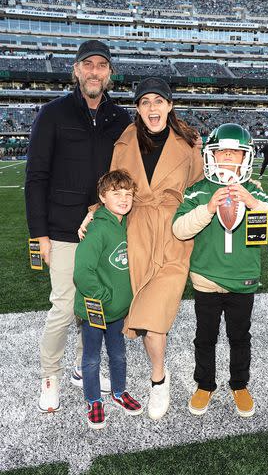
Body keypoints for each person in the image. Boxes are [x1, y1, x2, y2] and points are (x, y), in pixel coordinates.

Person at [80, 77, 203, 420]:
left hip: (174, 234)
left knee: (155, 318)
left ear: (169, 105)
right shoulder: (125, 142)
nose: (152, 107)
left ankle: (158, 378)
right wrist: (94, 213)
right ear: (137, 108)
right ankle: (159, 375)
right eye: (145, 102)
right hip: (135, 234)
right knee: (145, 318)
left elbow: (200, 187)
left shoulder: (189, 143)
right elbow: (115, 187)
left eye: (158, 101)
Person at [25, 39, 131, 413]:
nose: (94, 71)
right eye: (88, 65)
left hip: (103, 229)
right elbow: (35, 176)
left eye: (102, 65)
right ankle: (50, 374)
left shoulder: (121, 119)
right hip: (63, 229)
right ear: (76, 70)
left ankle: (79, 368)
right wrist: (40, 236)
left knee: (95, 300)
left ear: (109, 74)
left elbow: (127, 173)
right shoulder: (53, 113)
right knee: (63, 306)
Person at [172, 123, 268, 418]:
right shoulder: (197, 192)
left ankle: (239, 384)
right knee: (204, 337)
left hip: (242, 280)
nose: (227, 158)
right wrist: (208, 208)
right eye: (222, 151)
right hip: (206, 278)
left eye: (235, 153)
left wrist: (253, 203)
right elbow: (180, 230)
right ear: (210, 155)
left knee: (240, 337)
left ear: (245, 158)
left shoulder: (255, 193)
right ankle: (204, 385)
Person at [74, 170, 143, 429]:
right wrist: (105, 296)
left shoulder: (126, 223)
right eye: (116, 193)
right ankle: (93, 400)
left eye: (128, 194)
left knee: (119, 355)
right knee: (91, 358)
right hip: (96, 308)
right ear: (103, 197)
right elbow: (82, 272)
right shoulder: (99, 229)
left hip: (117, 311)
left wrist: (120, 300)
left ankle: (118, 392)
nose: (124, 199)